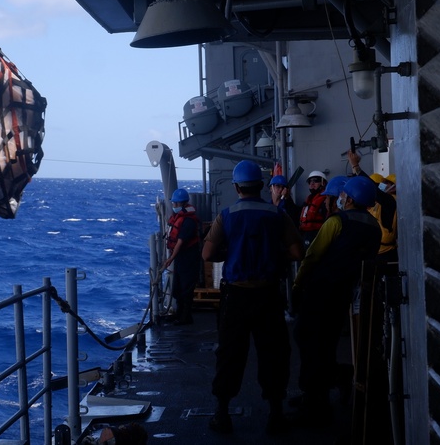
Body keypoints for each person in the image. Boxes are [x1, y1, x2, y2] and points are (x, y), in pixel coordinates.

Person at [201, 161, 304, 436]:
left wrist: (232, 254)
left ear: (236, 187)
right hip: (268, 295)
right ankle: (275, 415)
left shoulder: (227, 215)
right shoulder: (277, 214)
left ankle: (222, 415)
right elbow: (296, 253)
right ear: (261, 185)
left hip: (236, 295)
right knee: (274, 353)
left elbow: (208, 255)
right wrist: (272, 256)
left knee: (230, 354)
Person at [290, 175, 381, 427]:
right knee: (325, 343)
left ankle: (316, 403)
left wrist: (298, 285)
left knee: (307, 340)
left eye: (339, 197)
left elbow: (312, 256)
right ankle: (324, 387)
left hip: (320, 291)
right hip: (344, 294)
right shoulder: (374, 227)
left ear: (348, 198)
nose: (336, 200)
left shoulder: (336, 221)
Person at [163, 188, 202, 325]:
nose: (173, 206)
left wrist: (170, 259)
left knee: (186, 289)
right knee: (178, 288)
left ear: (181, 204)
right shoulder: (180, 218)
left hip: (189, 258)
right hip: (181, 258)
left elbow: (180, 242)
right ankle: (179, 315)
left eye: (175, 204)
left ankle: (186, 317)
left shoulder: (188, 221)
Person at [298, 170, 329, 245]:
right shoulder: (309, 200)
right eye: (310, 181)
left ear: (323, 183)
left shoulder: (326, 200)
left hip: (318, 234)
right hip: (305, 234)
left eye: (315, 181)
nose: (312, 183)